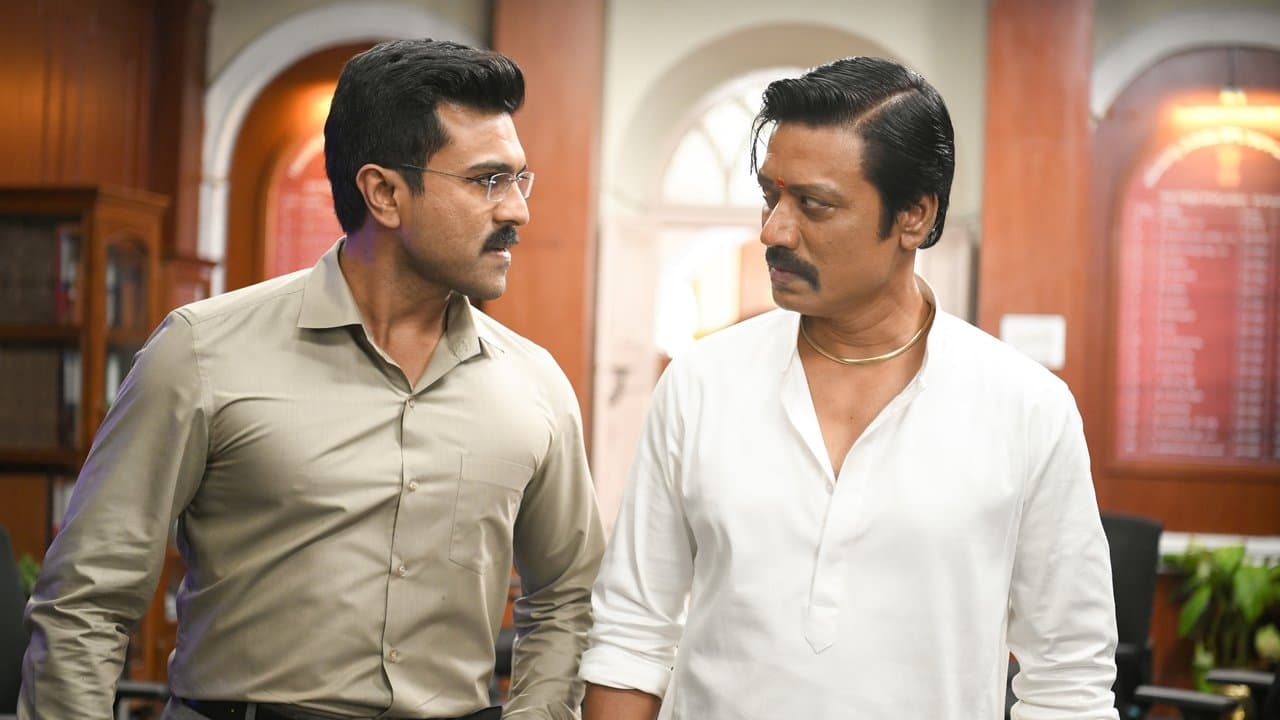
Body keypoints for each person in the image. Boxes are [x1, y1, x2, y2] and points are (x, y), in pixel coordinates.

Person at [20, 39, 603, 720]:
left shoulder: (535, 384)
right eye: (487, 181)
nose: (517, 211)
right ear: (384, 193)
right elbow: (86, 602)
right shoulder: (201, 353)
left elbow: (567, 598)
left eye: (518, 180)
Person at [579, 57, 1118, 719]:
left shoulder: (1026, 408)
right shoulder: (701, 382)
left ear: (914, 216)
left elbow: (1068, 680)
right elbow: (631, 632)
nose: (773, 230)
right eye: (771, 196)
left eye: (814, 204)